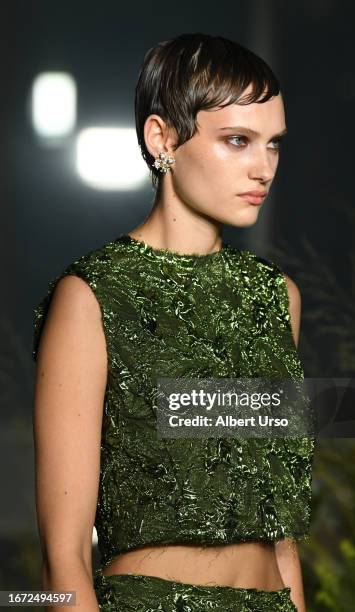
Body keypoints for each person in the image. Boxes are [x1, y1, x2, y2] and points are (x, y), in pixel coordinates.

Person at [32, 33, 315, 612]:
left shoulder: (276, 297)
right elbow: (63, 559)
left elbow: (280, 526)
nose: (263, 168)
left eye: (274, 145)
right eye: (238, 141)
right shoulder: (93, 296)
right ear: (162, 137)